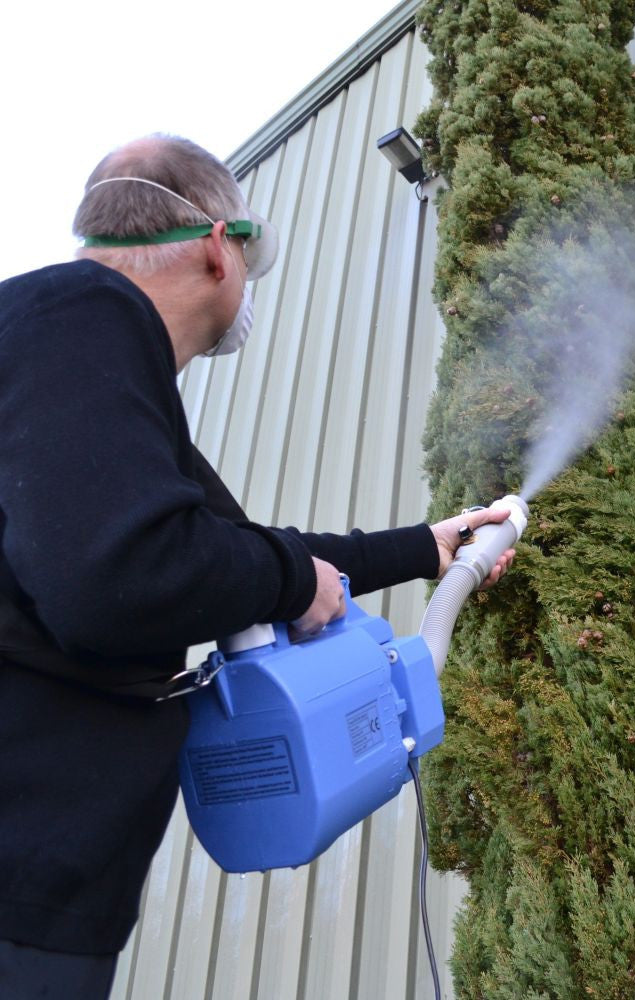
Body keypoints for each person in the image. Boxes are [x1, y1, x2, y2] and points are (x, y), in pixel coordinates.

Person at [0, 134, 514, 998]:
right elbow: (126, 576)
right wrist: (284, 576)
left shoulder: (80, 366)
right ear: (216, 246)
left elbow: (241, 550)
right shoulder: (78, 314)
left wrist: (426, 546)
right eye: (253, 255)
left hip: (47, 893)